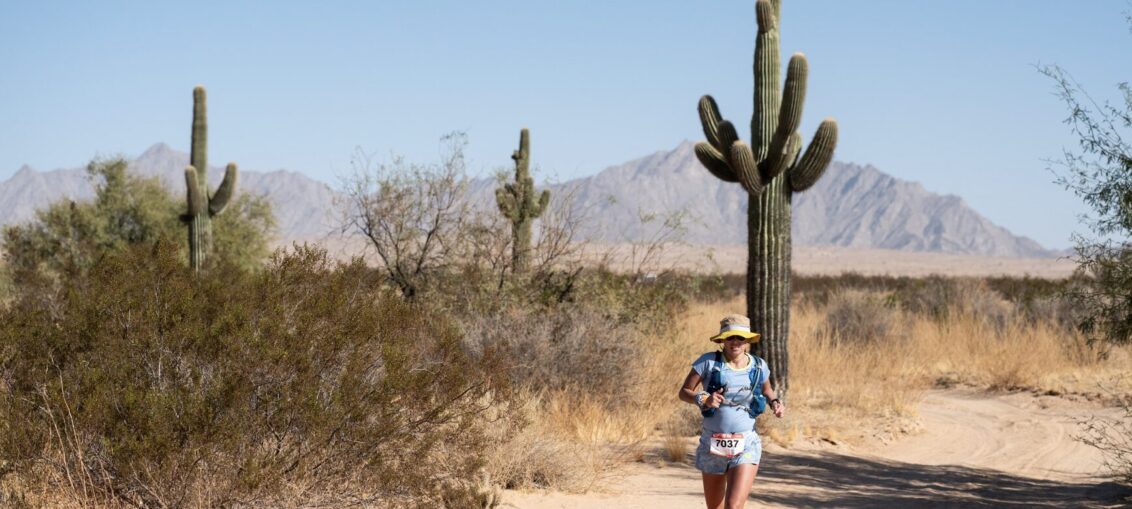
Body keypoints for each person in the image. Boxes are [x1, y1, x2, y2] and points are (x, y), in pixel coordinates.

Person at [678, 314, 785, 509]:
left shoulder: (759, 365)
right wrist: (704, 399)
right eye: (730, 337)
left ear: (747, 341)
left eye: (740, 338)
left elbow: (767, 389)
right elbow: (684, 392)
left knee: (734, 506)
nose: (735, 342)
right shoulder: (708, 362)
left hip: (746, 443)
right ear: (722, 340)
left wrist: (775, 402)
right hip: (713, 443)